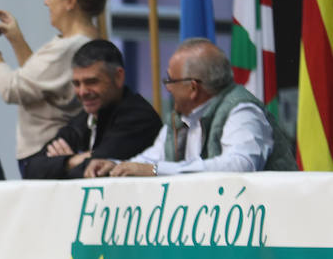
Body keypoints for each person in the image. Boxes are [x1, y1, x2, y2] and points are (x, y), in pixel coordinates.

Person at [0, 0, 112, 172]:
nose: (46, 2)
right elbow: (39, 83)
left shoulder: (69, 49)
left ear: (70, 1)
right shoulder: (84, 43)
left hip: (47, 157)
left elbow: (11, 89)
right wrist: (16, 40)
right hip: (50, 153)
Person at [86, 38, 297, 177]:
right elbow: (151, 159)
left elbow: (240, 166)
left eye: (170, 80)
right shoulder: (179, 119)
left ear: (193, 88)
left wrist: (155, 170)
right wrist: (115, 165)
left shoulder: (242, 111)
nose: (167, 88)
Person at [20, 40, 161, 180]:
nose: (82, 92)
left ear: (118, 77)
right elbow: (31, 168)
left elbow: (96, 169)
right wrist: (73, 160)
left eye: (91, 82)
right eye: (76, 84)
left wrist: (61, 164)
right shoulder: (85, 117)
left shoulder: (139, 118)